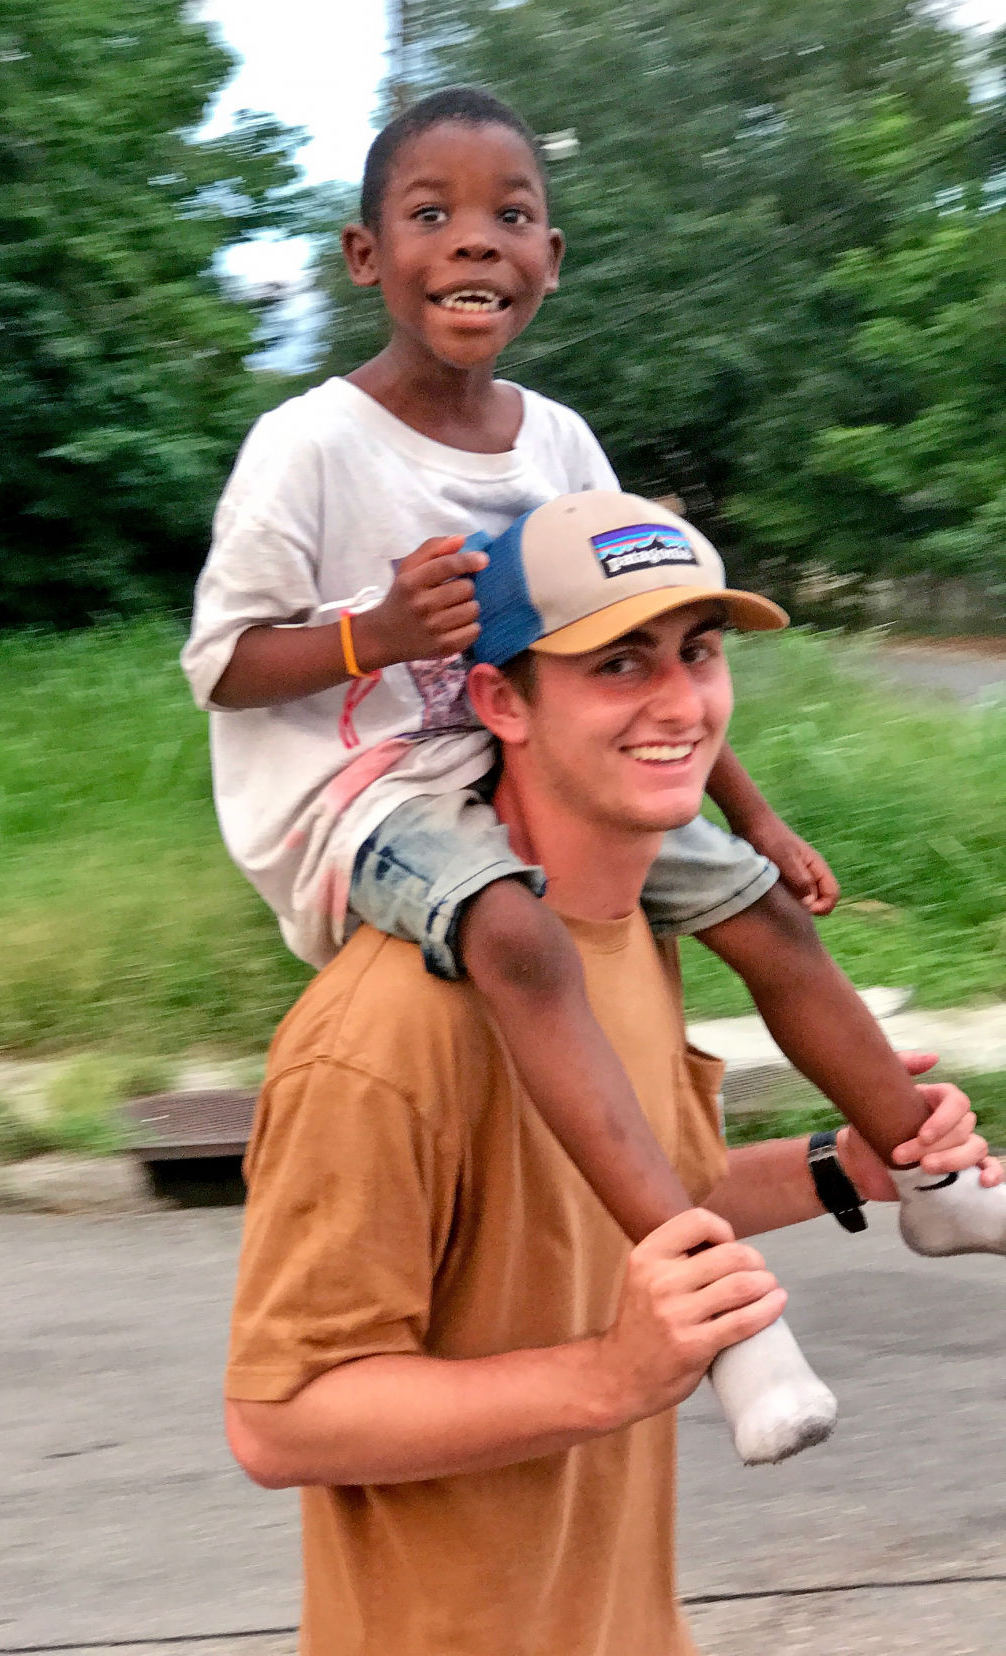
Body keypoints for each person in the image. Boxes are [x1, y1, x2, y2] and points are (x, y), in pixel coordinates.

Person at [182, 87, 1006, 1457]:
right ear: (363, 256)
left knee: (766, 915)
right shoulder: (308, 446)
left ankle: (930, 1174)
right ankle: (730, 1325)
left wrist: (750, 813)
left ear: (548, 264)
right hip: (363, 797)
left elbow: (647, 642)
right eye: (429, 215)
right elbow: (222, 663)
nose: (472, 244)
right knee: (516, 934)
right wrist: (373, 634)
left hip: (537, 756)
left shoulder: (556, 442)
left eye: (509, 217)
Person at [223, 504, 996, 1656]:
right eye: (617, 664)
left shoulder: (630, 937)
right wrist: (610, 1378)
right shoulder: (382, 1038)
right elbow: (279, 1420)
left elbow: (629, 1210)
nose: (679, 703)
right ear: (500, 703)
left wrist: (848, 1170)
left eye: (698, 651)